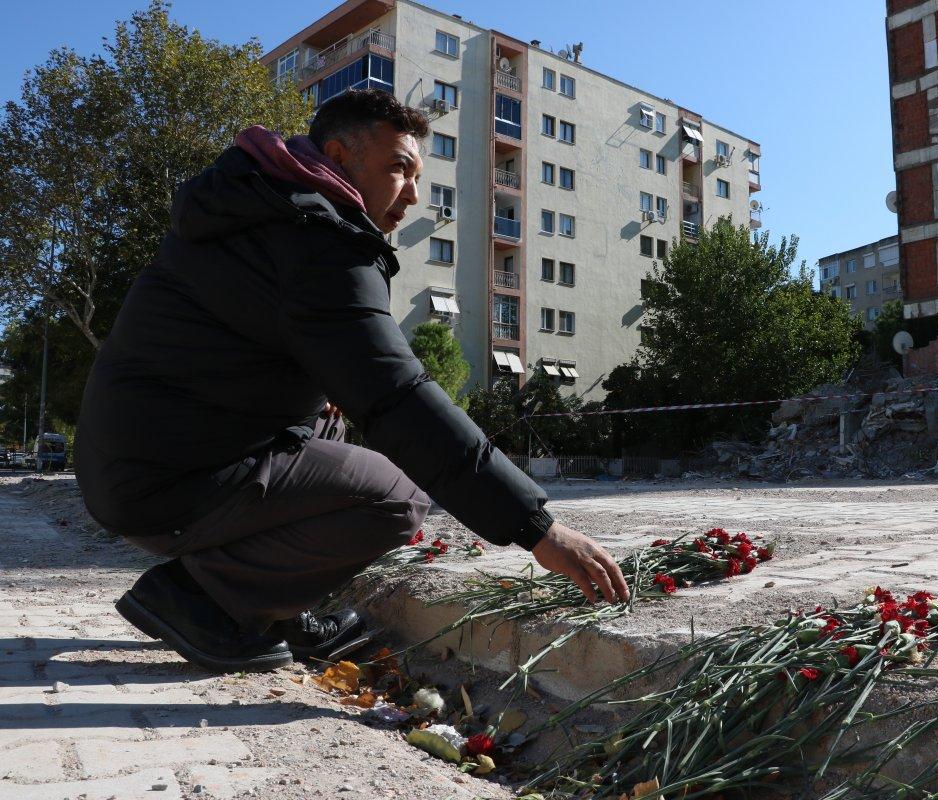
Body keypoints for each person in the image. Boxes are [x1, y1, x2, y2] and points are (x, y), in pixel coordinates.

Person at [76, 89, 630, 673]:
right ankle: (200, 597)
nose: (413, 195)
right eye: (399, 169)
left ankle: (275, 605)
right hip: (165, 482)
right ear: (340, 157)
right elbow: (398, 396)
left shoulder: (261, 207)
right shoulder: (317, 242)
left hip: (137, 462)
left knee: (329, 419)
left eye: (418, 177)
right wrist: (537, 528)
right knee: (396, 497)